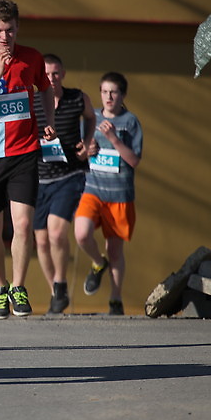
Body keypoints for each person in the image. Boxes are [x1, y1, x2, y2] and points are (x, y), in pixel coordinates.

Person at [0, 0, 56, 319]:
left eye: (9, 30)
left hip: (24, 152)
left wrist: (48, 119)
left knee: (22, 223)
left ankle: (18, 287)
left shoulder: (31, 57)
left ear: (17, 28)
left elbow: (45, 88)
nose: (4, 37)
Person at [74, 72, 142, 315]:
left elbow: (134, 160)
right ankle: (97, 262)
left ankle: (115, 298)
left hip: (119, 195)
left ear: (122, 95)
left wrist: (114, 139)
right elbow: (79, 152)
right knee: (82, 234)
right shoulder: (91, 117)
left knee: (115, 250)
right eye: (104, 92)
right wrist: (87, 150)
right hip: (92, 190)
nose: (109, 97)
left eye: (113, 92)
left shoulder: (130, 122)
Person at [32, 54, 96, 314]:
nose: (51, 78)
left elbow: (91, 118)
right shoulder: (33, 100)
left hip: (70, 174)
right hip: (38, 177)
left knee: (57, 232)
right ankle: (56, 292)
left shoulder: (77, 98)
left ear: (63, 74)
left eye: (56, 73)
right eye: (47, 74)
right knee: (41, 241)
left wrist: (87, 141)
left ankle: (60, 281)